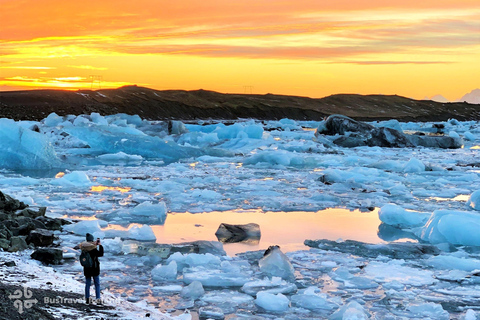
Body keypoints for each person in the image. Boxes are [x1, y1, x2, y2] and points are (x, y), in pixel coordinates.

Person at [79, 233, 104, 304]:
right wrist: (100, 245)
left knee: (88, 283)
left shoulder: (83, 247)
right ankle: (98, 299)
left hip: (87, 268)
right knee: (97, 284)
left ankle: (87, 298)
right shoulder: (93, 248)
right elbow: (101, 254)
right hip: (94, 268)